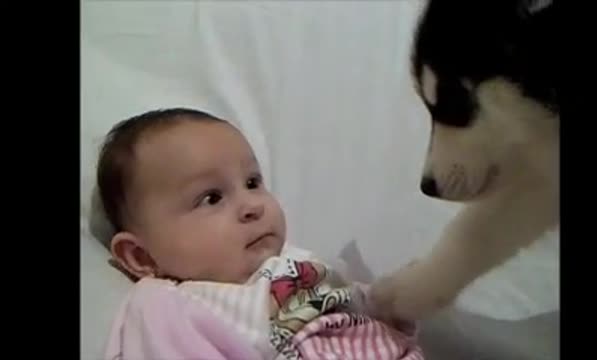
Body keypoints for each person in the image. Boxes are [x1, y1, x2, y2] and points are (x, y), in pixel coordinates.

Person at [97, 107, 424, 359]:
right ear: (140, 256)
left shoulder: (294, 261)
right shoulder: (169, 303)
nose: (252, 205)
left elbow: (351, 303)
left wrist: (393, 301)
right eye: (211, 198)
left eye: (252, 182)